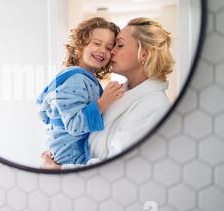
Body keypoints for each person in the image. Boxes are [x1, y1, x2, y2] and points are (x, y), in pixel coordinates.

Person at [41, 17, 175, 170]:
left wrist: (59, 169)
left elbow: (119, 166)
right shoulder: (119, 93)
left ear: (143, 55)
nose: (111, 52)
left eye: (119, 45)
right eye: (98, 44)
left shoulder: (153, 106)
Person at [37, 17, 122, 167]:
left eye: (109, 47)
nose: (102, 50)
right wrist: (104, 102)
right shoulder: (76, 79)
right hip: (70, 154)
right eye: (96, 43)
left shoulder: (81, 78)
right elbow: (75, 125)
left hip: (64, 149)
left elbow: (45, 114)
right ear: (80, 45)